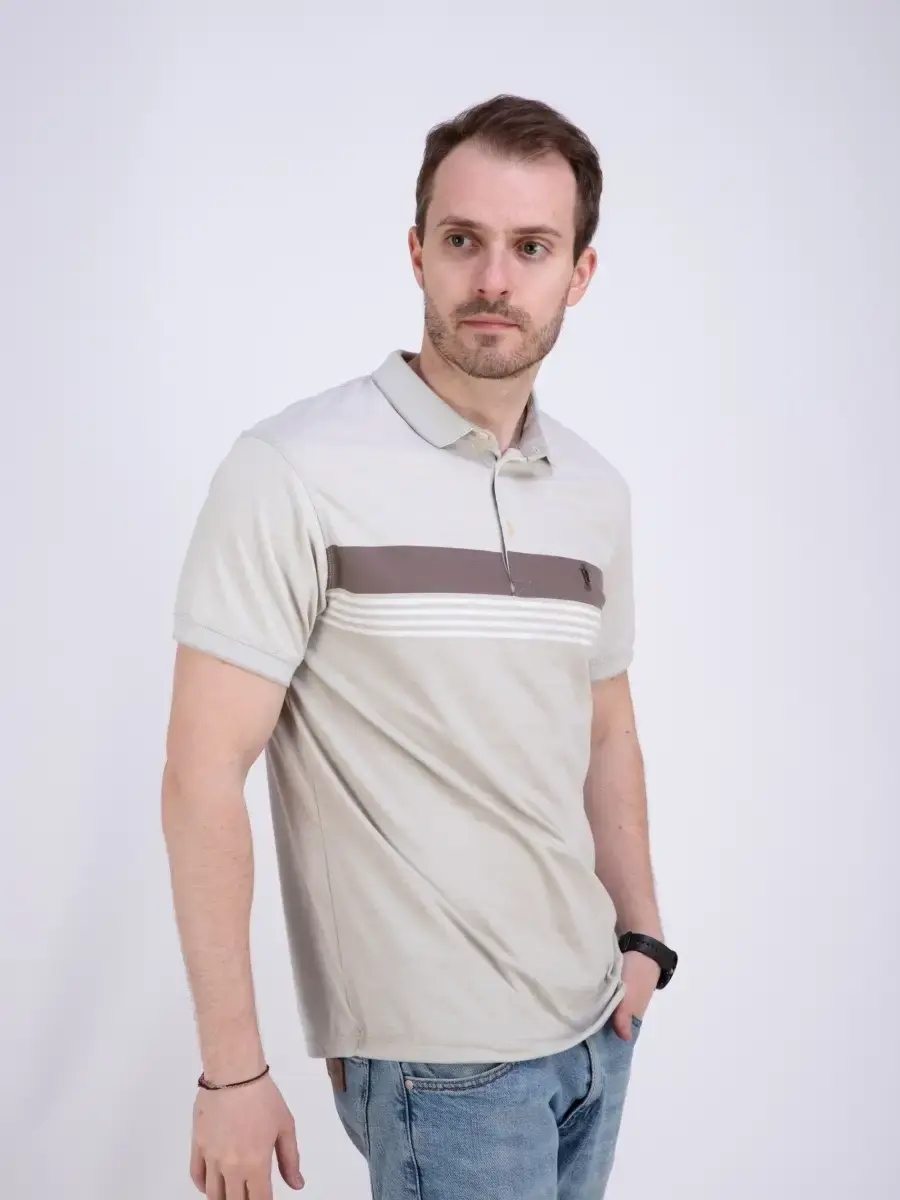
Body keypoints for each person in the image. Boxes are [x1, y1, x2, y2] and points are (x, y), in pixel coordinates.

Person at [162, 93, 678, 1200]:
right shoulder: (294, 469)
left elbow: (606, 724)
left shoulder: (595, 491)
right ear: (417, 253)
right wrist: (231, 1073)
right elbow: (202, 774)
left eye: (531, 247)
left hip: (597, 1028)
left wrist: (644, 940)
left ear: (580, 272)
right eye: (462, 240)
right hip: (443, 1068)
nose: (494, 279)